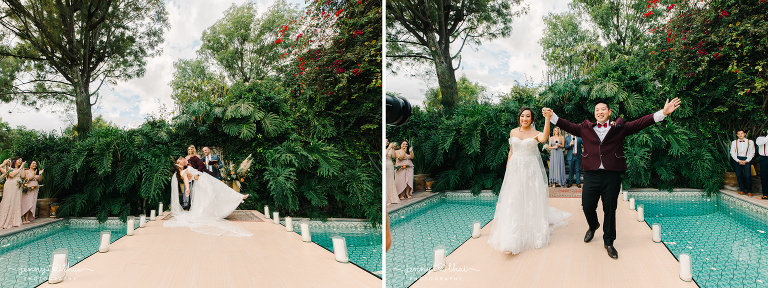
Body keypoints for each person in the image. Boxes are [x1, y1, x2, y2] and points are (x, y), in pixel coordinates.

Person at [544, 98, 681, 259]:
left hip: (612, 174)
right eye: (597, 110)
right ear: (594, 113)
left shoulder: (620, 127)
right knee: (587, 206)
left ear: (609, 112)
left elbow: (640, 122)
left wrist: (663, 113)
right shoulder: (585, 128)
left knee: (610, 209)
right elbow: (566, 125)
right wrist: (552, 116)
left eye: (603, 109)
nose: (600, 112)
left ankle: (609, 242)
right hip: (591, 174)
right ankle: (593, 225)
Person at [487, 107, 572, 255]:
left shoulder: (536, 133)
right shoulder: (513, 132)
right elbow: (511, 151)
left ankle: (530, 230)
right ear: (519, 117)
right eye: (522, 116)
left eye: (528, 116)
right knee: (513, 200)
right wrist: (508, 168)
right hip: (514, 170)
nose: (524, 118)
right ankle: (510, 238)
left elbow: (545, 138)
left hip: (530, 171)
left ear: (532, 119)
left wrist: (547, 118)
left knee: (529, 199)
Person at [164, 158, 251, 236]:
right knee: (212, 194)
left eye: (178, 163)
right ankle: (214, 211)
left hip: (205, 178)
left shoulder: (185, 168)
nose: (179, 164)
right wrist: (187, 189)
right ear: (178, 168)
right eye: (178, 164)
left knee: (220, 187)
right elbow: (186, 180)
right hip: (202, 182)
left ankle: (239, 197)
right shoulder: (183, 172)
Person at [183, 145, 213, 210]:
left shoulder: (197, 156)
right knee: (189, 189)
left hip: (196, 174)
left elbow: (200, 165)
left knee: (197, 190)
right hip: (190, 175)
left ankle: (199, 205)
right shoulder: (186, 157)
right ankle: (187, 204)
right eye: (189, 149)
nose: (190, 151)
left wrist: (197, 173)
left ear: (194, 150)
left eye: (191, 149)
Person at [0, 157, 25, 229]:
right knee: (8, 201)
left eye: (21, 160)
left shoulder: (20, 168)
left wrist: (22, 168)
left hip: (18, 187)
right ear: (14, 161)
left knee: (16, 202)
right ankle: (5, 220)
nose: (20, 161)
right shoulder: (9, 168)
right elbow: (11, 175)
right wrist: (20, 168)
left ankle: (15, 221)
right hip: (10, 186)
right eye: (19, 160)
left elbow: (23, 176)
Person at [731, 130, 755, 196]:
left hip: (747, 158)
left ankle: (749, 191)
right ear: (737, 135)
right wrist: (737, 160)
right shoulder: (734, 142)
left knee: (748, 175)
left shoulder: (750, 142)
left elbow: (752, 152)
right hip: (737, 159)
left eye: (742, 133)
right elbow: (732, 152)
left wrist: (746, 160)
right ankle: (742, 189)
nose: (740, 135)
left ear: (744, 134)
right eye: (739, 134)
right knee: (739, 175)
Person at [385, 139, 400, 206]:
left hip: (390, 165)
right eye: (385, 141)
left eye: (387, 141)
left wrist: (393, 148)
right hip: (384, 165)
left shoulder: (390, 148)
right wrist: (389, 148)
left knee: (390, 180)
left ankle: (392, 198)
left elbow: (393, 156)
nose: (387, 142)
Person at [756, 130, 768, 199]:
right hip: (764, 158)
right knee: (764, 176)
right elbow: (760, 143)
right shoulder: (760, 138)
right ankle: (765, 193)